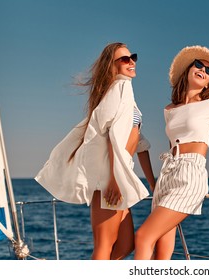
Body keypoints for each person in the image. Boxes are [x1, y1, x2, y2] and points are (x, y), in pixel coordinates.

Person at [134, 45, 209, 260]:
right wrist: (154, 183)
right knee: (161, 251)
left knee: (143, 236)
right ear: (189, 70)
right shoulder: (169, 110)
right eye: (199, 65)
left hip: (191, 173)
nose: (203, 70)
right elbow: (172, 143)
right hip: (167, 174)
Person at [35, 42, 154, 260]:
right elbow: (112, 135)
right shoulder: (119, 89)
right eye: (124, 59)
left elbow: (138, 142)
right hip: (111, 182)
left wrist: (152, 182)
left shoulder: (125, 92)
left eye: (133, 57)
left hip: (118, 180)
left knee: (126, 246)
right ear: (112, 66)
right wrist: (115, 181)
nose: (131, 62)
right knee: (104, 247)